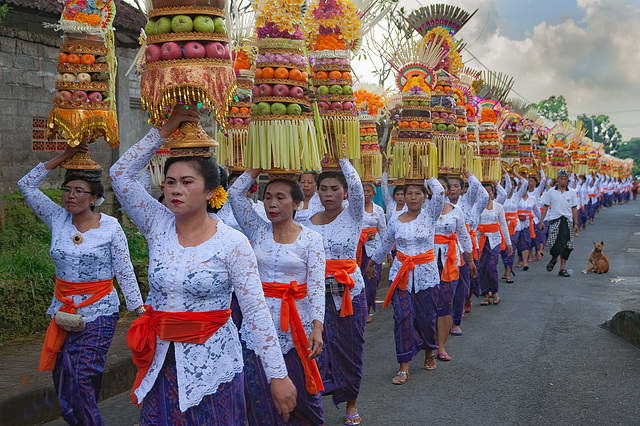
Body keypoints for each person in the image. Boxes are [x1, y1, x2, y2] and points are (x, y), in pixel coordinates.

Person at [110, 105, 297, 424]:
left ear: (211, 190)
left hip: (216, 369)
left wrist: (277, 374)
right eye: (170, 183)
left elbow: (254, 311)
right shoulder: (157, 224)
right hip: (162, 364)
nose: (175, 190)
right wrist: (164, 131)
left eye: (186, 182)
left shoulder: (232, 242)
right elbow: (120, 174)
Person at [17, 143, 144, 425]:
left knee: (80, 373)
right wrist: (63, 157)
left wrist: (139, 310)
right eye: (67, 189)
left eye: (79, 191)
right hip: (63, 309)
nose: (70, 196)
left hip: (100, 310)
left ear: (94, 197)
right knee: (63, 380)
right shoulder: (57, 218)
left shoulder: (110, 227)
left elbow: (124, 270)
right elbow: (26, 185)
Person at [229, 169, 326, 425]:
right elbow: (235, 193)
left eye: (280, 197)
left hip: (297, 326)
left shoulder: (312, 239)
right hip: (257, 325)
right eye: (268, 197)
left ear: (296, 203)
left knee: (303, 397)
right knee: (258, 394)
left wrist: (317, 327)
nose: (272, 203)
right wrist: (258, 166)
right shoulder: (256, 230)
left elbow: (317, 286)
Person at [304, 157, 366, 426]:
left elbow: (358, 186)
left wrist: (341, 158)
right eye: (324, 188)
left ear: (345, 193)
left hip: (349, 294)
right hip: (314, 295)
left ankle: (351, 402)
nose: (329, 194)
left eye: (335, 189)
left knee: (351, 348)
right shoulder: (307, 220)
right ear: (317, 191)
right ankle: (315, 399)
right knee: (315, 348)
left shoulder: (353, 214)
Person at [366, 177, 445, 384]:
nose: (412, 197)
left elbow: (440, 193)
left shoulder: (430, 214)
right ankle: (404, 367)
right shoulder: (395, 218)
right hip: (401, 275)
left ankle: (429, 351)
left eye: (417, 193)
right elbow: (386, 243)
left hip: (426, 274)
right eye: (409, 193)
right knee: (402, 318)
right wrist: (373, 262)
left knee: (427, 318)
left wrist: (427, 175)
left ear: (424, 197)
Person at [433, 176, 474, 361]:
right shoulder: (423, 211)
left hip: (451, 261)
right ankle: (428, 341)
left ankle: (441, 346)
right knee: (428, 303)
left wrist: (470, 260)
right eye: (435, 187)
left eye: (442, 187)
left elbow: (464, 237)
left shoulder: (457, 211)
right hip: (427, 262)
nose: (439, 191)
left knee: (446, 302)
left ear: (448, 191)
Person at [477, 183, 513, 306]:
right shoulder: (477, 207)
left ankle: (495, 292)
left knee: (492, 267)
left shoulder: (498, 207)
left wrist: (508, 242)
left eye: (489, 191)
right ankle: (486, 294)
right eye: (484, 191)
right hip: (480, 240)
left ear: (493, 193)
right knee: (482, 267)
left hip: (495, 240)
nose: (487, 194)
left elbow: (503, 225)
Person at [540, 169, 579, 277]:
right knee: (553, 244)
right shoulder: (551, 191)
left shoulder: (571, 192)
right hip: (555, 221)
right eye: (561, 178)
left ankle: (562, 268)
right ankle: (554, 258)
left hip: (567, 221)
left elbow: (574, 208)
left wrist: (576, 223)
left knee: (567, 246)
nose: (563, 181)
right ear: (557, 179)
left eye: (565, 179)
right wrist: (542, 220)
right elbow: (545, 206)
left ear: (568, 180)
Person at [358, 182, 388, 322]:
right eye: (363, 190)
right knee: (358, 279)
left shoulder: (378, 210)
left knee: (372, 279)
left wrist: (387, 252)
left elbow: (383, 230)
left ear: (373, 193)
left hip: (373, 248)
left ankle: (367, 310)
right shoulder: (352, 207)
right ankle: (359, 309)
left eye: (368, 191)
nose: (365, 193)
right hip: (357, 249)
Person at [501, 169, 527, 283]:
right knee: (503, 250)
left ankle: (508, 273)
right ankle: (506, 268)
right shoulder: (500, 197)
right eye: (507, 183)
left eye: (512, 184)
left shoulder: (517, 196)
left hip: (514, 226)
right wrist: (503, 172)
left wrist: (514, 173)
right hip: (502, 226)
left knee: (511, 249)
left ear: (515, 186)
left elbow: (525, 183)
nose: (509, 186)